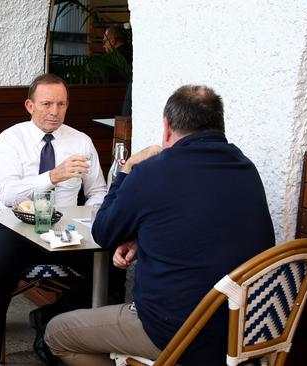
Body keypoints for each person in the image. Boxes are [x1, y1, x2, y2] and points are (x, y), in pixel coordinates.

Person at [44, 85, 275, 366]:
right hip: (245, 332)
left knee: (57, 333)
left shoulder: (152, 172)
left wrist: (127, 170)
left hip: (176, 333)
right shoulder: (246, 169)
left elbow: (103, 232)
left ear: (166, 128)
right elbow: (200, 227)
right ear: (219, 125)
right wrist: (143, 241)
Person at [0, 73, 108, 365]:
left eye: (61, 104)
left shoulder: (81, 141)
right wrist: (53, 176)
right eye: (46, 104)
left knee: (112, 268)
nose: (54, 112)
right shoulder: (11, 138)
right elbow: (7, 194)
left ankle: (49, 318)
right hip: (18, 226)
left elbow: (98, 192)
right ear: (30, 105)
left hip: (65, 229)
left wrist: (88, 220)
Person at [103, 25, 133, 116]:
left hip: (113, 105)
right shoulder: (135, 54)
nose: (103, 46)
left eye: (104, 41)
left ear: (112, 41)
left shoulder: (109, 59)